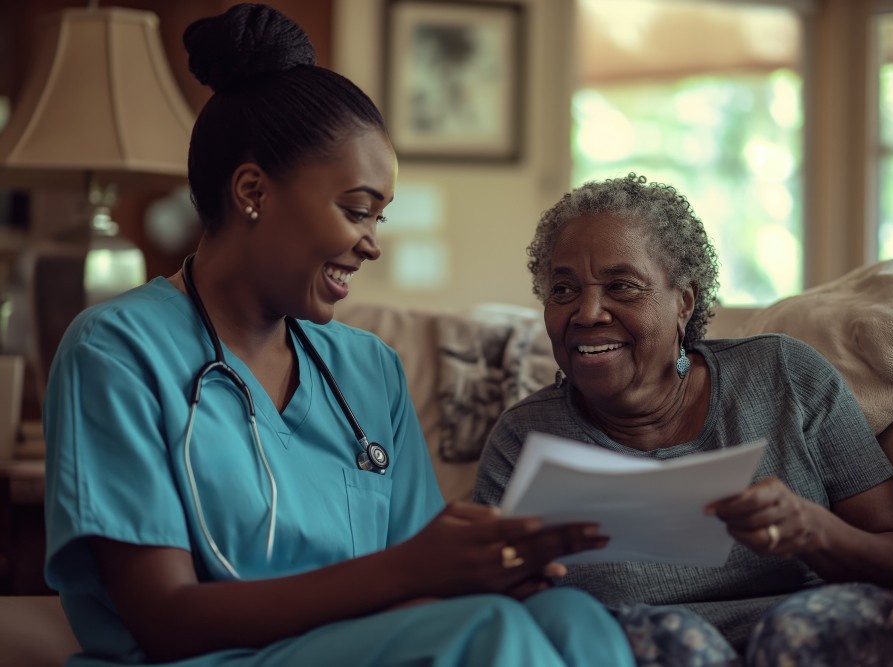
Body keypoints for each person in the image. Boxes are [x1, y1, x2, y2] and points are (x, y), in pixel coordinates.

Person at [41, 5, 635, 666]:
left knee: (571, 615)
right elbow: (165, 619)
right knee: (490, 634)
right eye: (356, 210)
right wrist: (411, 572)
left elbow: (422, 572)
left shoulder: (367, 368)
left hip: (361, 646)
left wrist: (492, 565)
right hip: (207, 657)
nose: (371, 245)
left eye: (379, 217)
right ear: (251, 190)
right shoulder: (117, 351)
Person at [473, 173, 893, 666]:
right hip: (642, 649)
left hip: (814, 631)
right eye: (564, 289)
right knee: (665, 639)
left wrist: (813, 529)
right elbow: (492, 606)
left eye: (622, 287)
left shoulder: (785, 375)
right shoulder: (524, 438)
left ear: (685, 301)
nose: (587, 312)